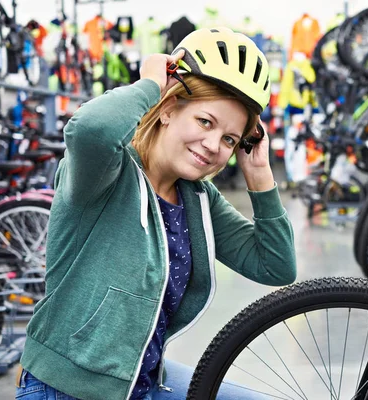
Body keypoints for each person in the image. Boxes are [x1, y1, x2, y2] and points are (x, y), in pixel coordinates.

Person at [15, 27, 297, 400]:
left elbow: (275, 265)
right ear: (166, 110)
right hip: (66, 388)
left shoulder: (197, 198)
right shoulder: (106, 171)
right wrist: (150, 83)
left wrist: (259, 173)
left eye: (230, 139)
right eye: (205, 122)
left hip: (140, 382)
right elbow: (90, 131)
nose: (213, 146)